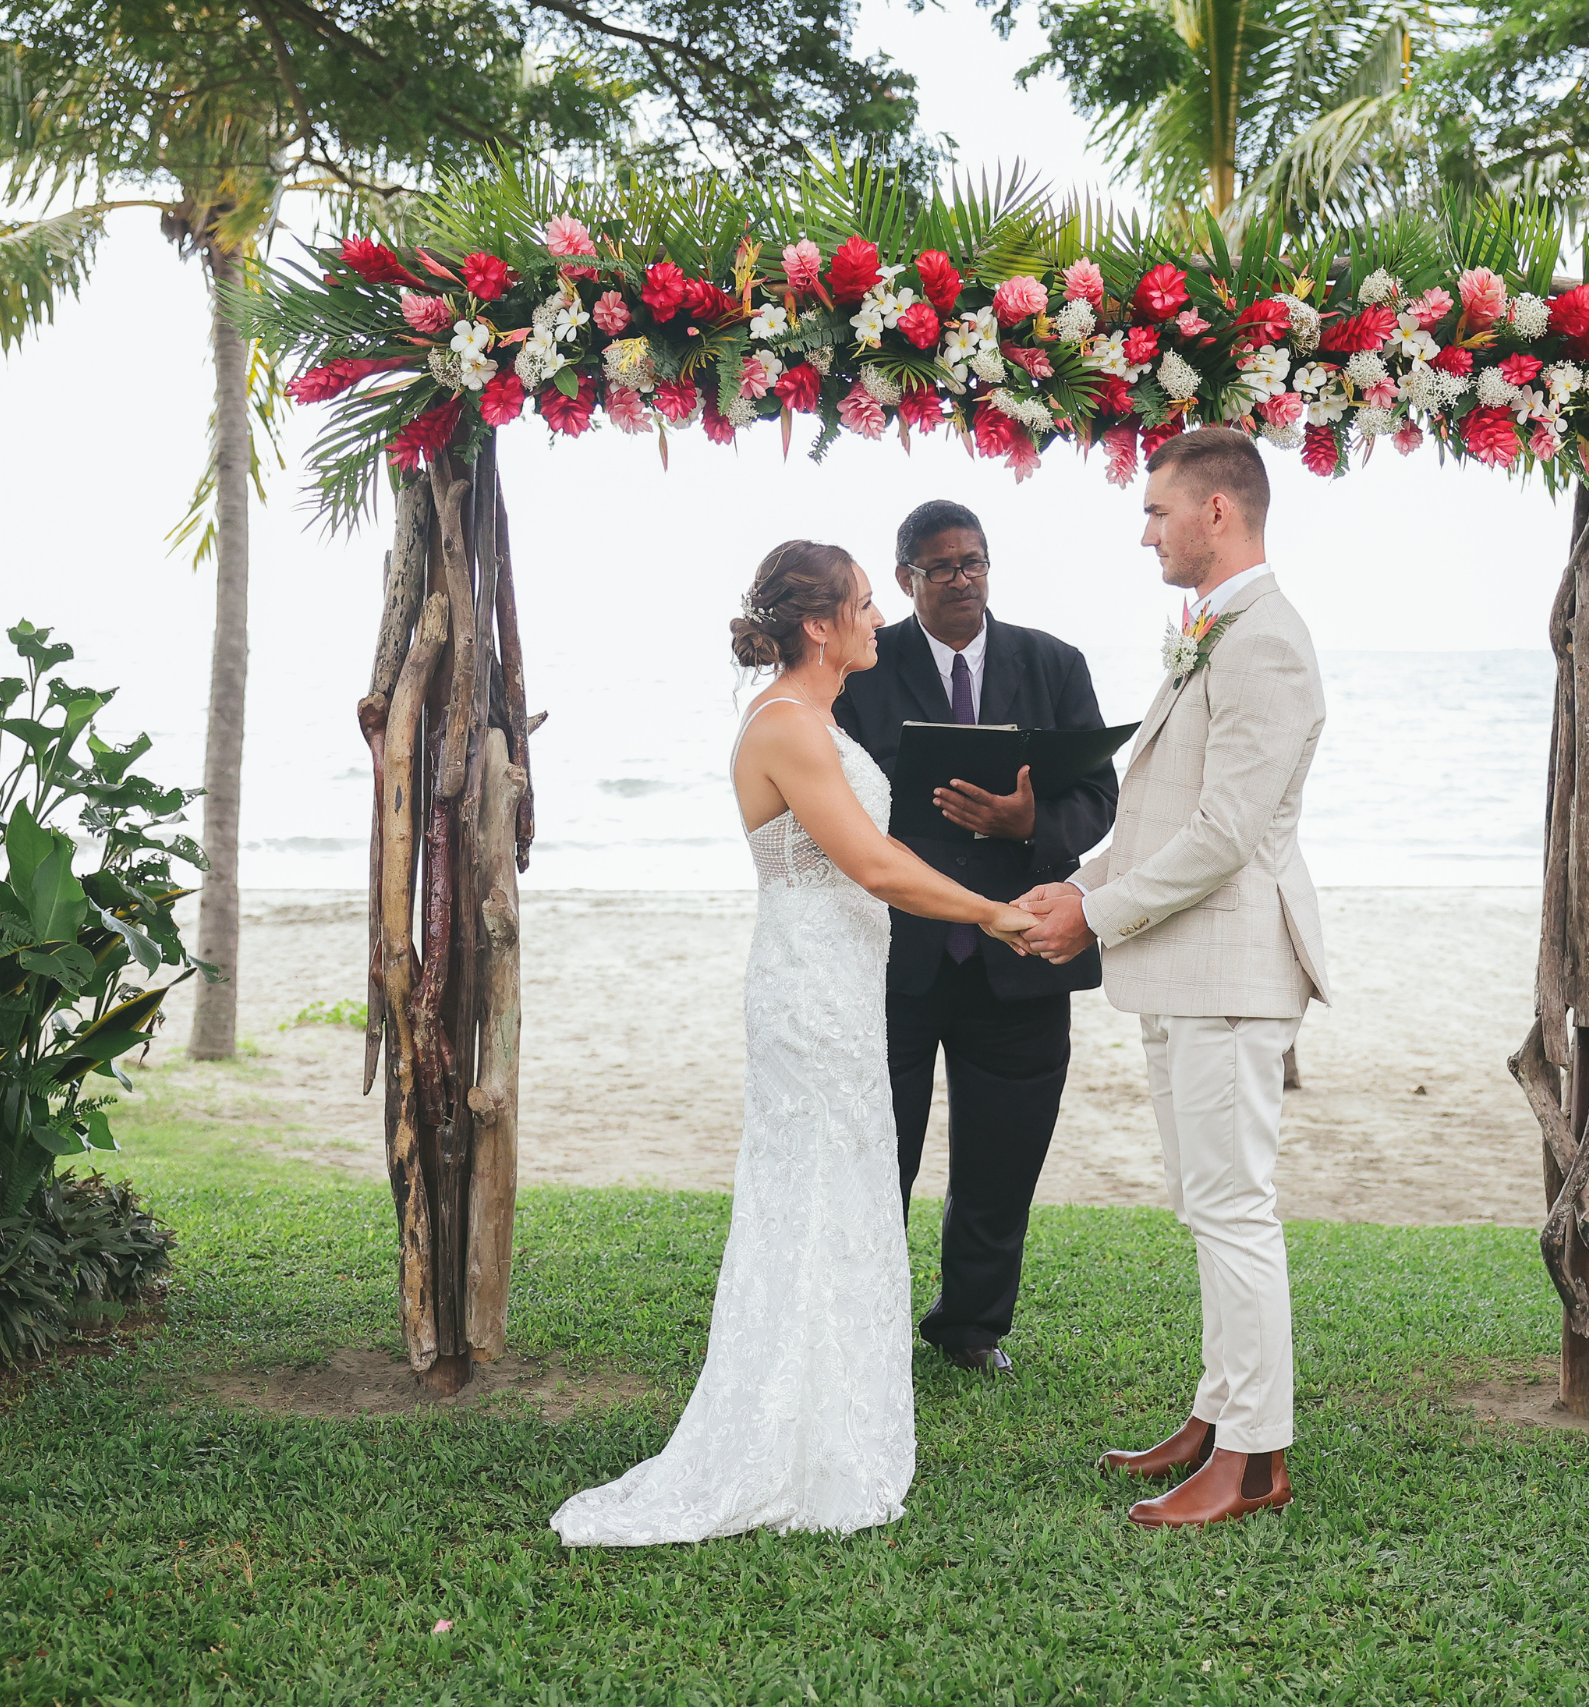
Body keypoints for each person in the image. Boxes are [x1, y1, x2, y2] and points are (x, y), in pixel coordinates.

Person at [550, 541, 1038, 1547]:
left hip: (837, 979)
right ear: (819, 625)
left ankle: (828, 1415)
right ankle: (785, 1436)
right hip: (810, 986)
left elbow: (880, 856)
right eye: (863, 605)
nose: (874, 619)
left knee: (839, 1188)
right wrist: (995, 916)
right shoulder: (787, 724)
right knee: (814, 1189)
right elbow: (872, 863)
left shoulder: (810, 716)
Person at [1017, 428, 1331, 1529]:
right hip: (1178, 969)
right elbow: (1157, 818)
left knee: (1236, 1210)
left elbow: (1224, 834)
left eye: (1156, 510)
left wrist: (1094, 914)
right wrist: (1072, 888)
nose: (1143, 529)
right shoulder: (1213, 633)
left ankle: (1255, 1459)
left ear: (1216, 513)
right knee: (1206, 1210)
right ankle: (1213, 1414)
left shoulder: (1266, 643)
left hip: (1232, 972)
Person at [834, 499, 1119, 1378]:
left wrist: (1031, 823)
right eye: (941, 565)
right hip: (896, 955)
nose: (962, 578)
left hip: (1019, 953)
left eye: (975, 562)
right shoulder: (865, 672)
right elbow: (840, 804)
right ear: (905, 577)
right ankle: (866, 1323)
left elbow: (1100, 797)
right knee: (880, 1153)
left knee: (1003, 1159)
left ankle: (971, 1329)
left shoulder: (1054, 664)